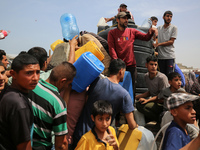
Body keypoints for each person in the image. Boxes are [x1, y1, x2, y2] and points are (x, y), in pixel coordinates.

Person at [72, 59, 137, 148]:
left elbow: (86, 100)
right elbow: (131, 124)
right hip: (100, 140)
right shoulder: (124, 94)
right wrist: (136, 126)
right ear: (121, 71)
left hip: (81, 133)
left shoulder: (96, 81)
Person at [28, 61, 76, 150]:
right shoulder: (58, 104)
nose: (67, 87)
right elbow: (61, 144)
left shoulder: (32, 86)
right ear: (63, 81)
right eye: (68, 84)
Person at [108, 12, 157, 94]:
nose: (126, 20)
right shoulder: (112, 33)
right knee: (117, 88)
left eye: (127, 18)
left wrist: (151, 32)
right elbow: (111, 48)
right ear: (117, 20)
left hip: (131, 66)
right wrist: (117, 63)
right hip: (119, 66)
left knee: (131, 88)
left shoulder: (132, 31)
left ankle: (131, 105)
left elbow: (146, 38)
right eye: (124, 18)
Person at [0, 54, 40, 149]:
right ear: (13, 74)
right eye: (29, 73)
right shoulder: (19, 104)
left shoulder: (8, 93)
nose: (35, 78)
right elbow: (24, 147)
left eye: (37, 72)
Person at [135, 55, 169, 122]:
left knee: (142, 106)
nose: (153, 67)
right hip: (155, 101)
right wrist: (138, 96)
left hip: (164, 104)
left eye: (155, 65)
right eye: (151, 64)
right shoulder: (146, 76)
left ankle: (160, 120)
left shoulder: (162, 78)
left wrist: (147, 100)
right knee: (138, 103)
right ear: (146, 65)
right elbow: (151, 91)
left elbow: (162, 97)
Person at [155, 10, 177, 76]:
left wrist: (159, 44)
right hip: (160, 58)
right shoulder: (159, 28)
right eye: (167, 16)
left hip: (169, 57)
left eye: (170, 16)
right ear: (163, 17)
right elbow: (155, 39)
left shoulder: (174, 28)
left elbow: (171, 41)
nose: (169, 18)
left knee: (169, 77)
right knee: (161, 77)